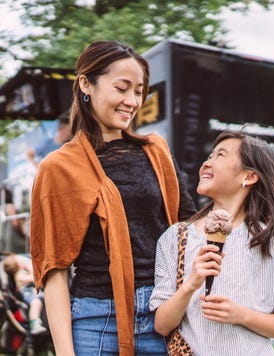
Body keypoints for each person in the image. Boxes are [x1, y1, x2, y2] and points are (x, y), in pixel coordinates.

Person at [29, 40, 196, 356]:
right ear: (86, 84)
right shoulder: (59, 167)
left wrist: (256, 223)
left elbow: (190, 225)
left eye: (139, 91)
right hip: (96, 324)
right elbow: (55, 270)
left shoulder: (155, 151)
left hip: (163, 318)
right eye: (122, 88)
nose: (132, 101)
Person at [150, 130, 274, 355]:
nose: (206, 162)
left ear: (249, 177)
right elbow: (162, 325)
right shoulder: (175, 237)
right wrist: (192, 283)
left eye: (220, 155)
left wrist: (240, 315)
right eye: (210, 156)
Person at [3, 254, 47, 335]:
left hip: (31, 290)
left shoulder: (21, 272)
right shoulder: (19, 275)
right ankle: (34, 322)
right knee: (36, 302)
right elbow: (34, 279)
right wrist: (30, 268)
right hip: (27, 292)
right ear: (18, 265)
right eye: (21, 261)